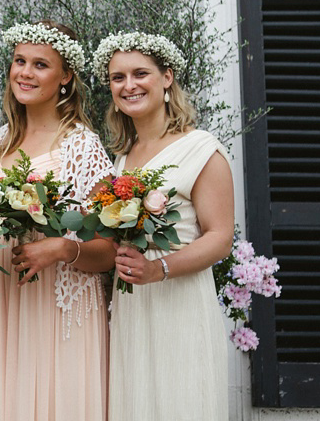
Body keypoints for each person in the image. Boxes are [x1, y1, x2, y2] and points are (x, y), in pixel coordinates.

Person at [92, 31, 233, 420]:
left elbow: (221, 238)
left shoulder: (201, 149)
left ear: (167, 77)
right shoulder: (123, 157)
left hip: (179, 304)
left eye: (140, 74)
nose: (129, 85)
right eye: (118, 78)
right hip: (133, 308)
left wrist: (158, 268)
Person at [0, 21, 115, 421]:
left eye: (40, 65)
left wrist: (62, 247)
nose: (25, 73)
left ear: (65, 77)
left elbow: (109, 249)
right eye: (19, 61)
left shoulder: (82, 145)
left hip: (59, 305)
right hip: (4, 297)